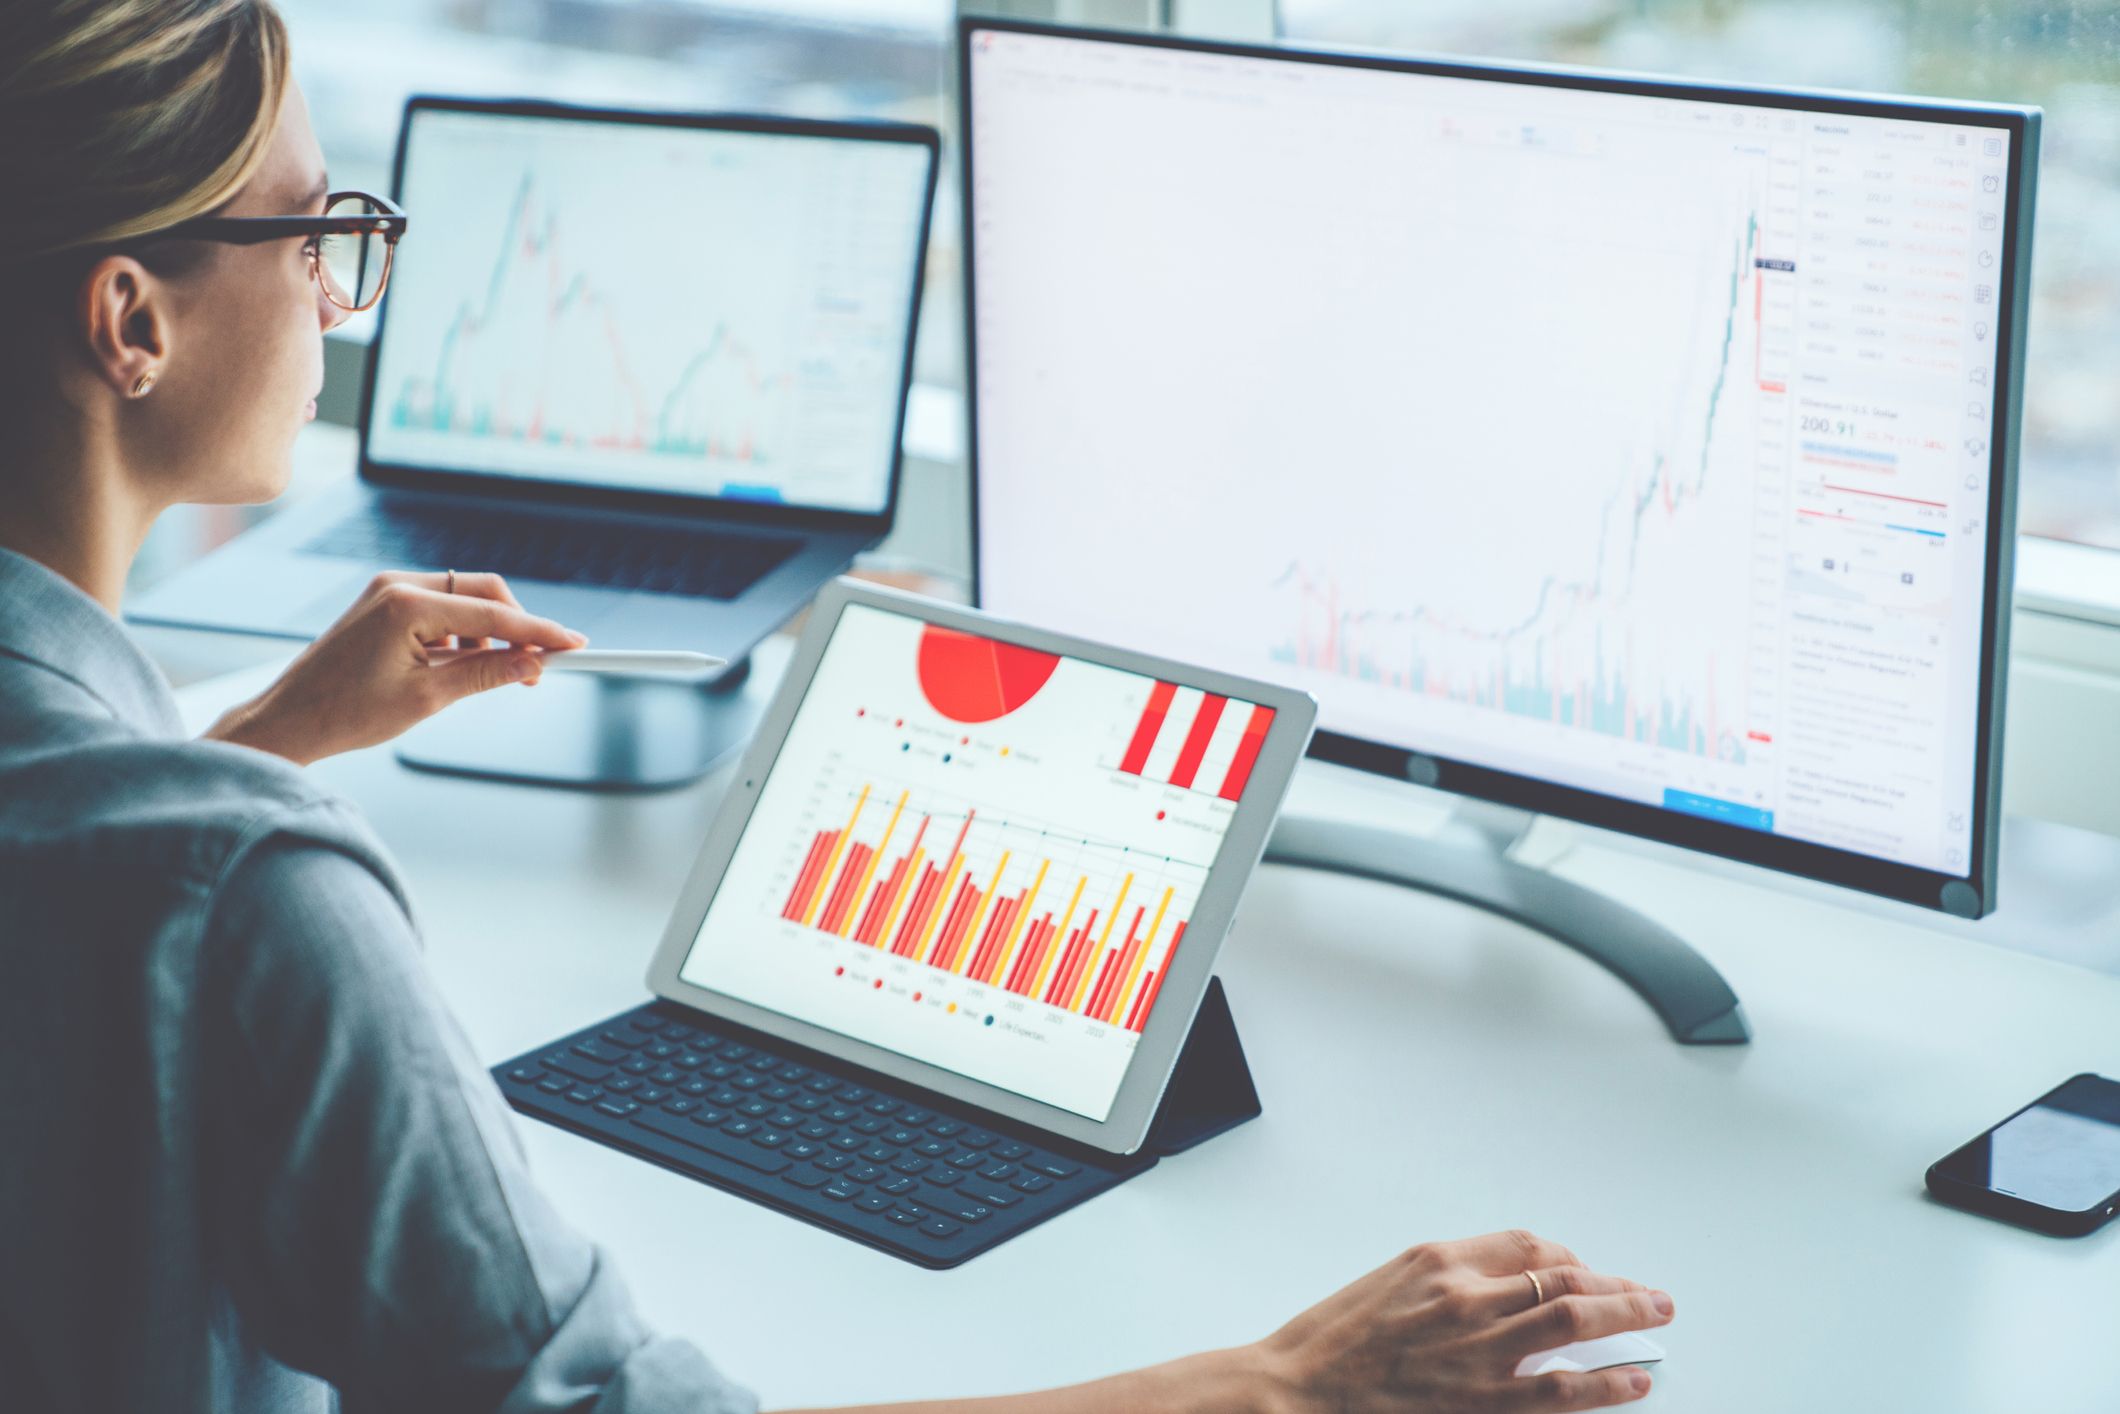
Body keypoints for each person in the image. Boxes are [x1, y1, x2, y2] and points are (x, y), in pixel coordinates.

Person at [0, 3, 1675, 1411]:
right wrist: (1289, 1379)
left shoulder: (152, 821)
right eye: (317, 234)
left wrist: (255, 741)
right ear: (130, 323)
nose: (334, 284)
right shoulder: (251, 892)